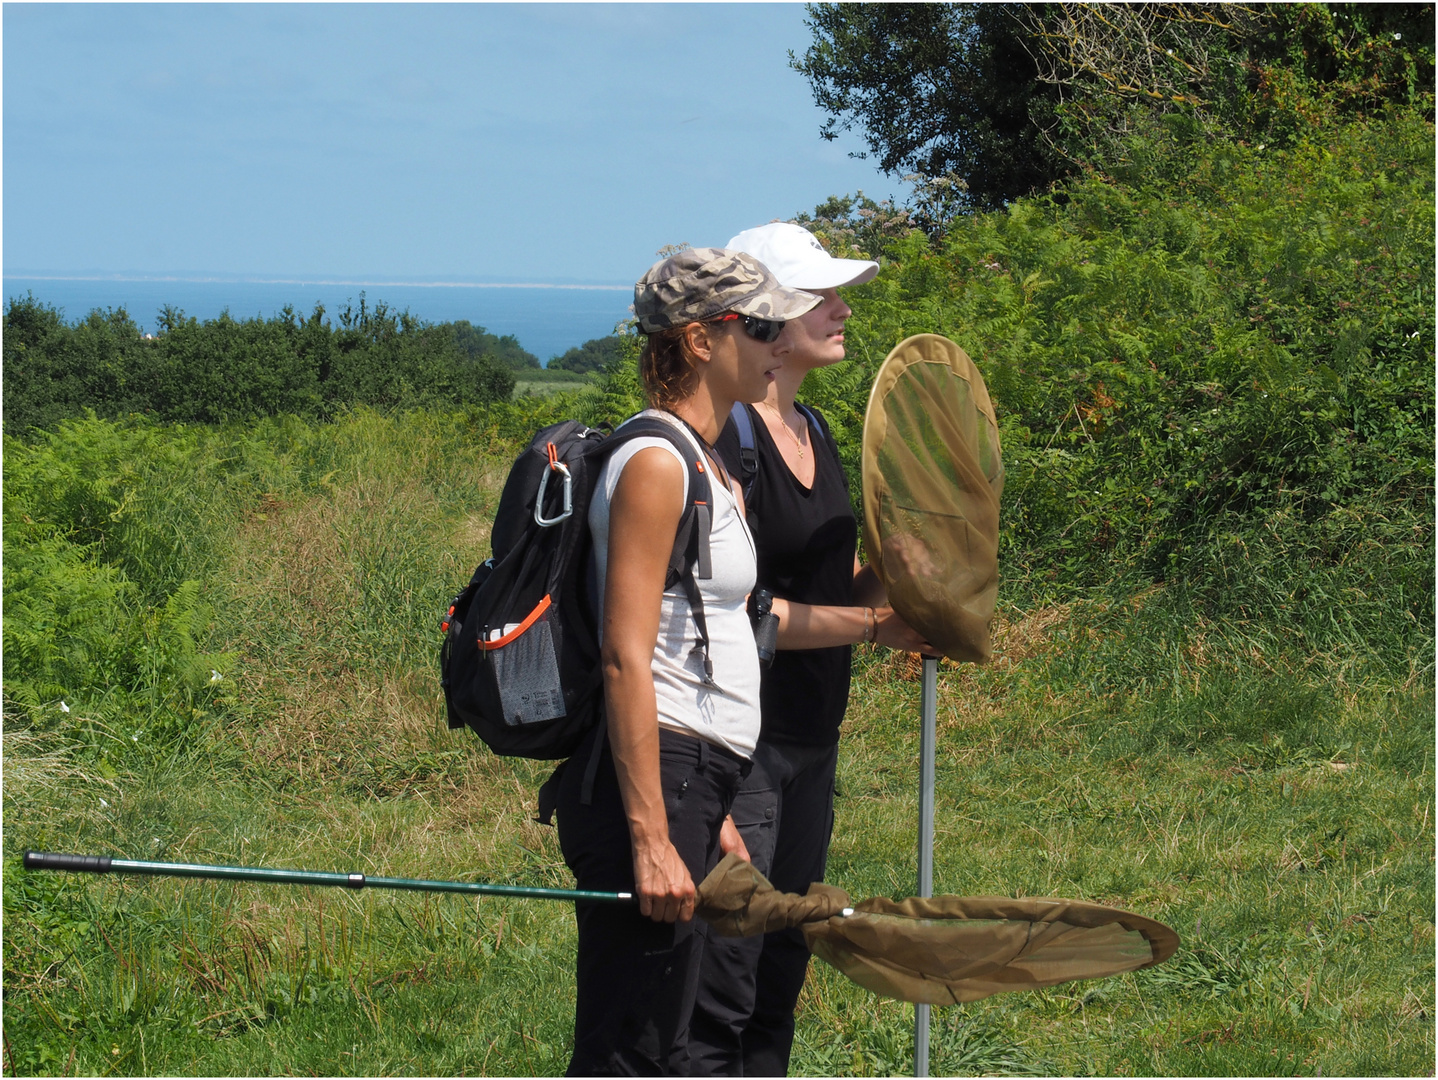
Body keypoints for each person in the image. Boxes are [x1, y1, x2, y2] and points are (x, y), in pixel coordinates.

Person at [553, 247, 823, 1076]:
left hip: (693, 780)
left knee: (672, 1040)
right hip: (658, 779)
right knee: (629, 1049)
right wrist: (652, 837)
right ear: (702, 340)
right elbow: (628, 658)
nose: (781, 343)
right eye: (764, 325)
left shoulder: (703, 459)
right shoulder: (657, 463)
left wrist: (717, 813)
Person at [688, 222, 930, 1077]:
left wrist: (910, 576)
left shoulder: (817, 428)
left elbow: (830, 595)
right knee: (726, 970)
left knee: (784, 957)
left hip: (813, 736)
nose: (841, 309)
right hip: (740, 743)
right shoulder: (728, 444)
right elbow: (747, 615)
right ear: (762, 319)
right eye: (818, 297)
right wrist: (875, 627)